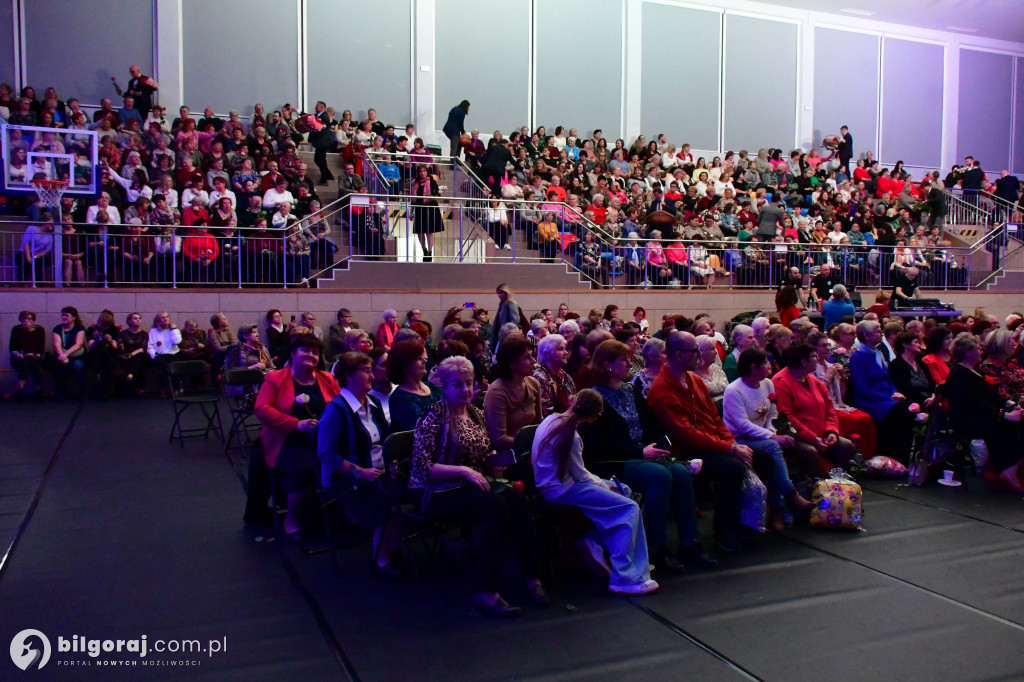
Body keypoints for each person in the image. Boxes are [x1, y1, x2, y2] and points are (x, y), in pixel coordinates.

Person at [410, 356, 547, 617]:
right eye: (457, 385)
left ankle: (531, 576)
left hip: (469, 484)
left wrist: (496, 462)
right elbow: (422, 469)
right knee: (494, 508)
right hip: (435, 490)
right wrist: (464, 470)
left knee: (518, 502)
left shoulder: (475, 413)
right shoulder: (433, 416)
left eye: (469, 383)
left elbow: (482, 456)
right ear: (444, 387)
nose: (465, 390)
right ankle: (486, 592)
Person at [580, 340, 716, 572]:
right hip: (615, 461)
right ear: (607, 365)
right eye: (623, 360)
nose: (629, 363)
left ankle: (688, 541)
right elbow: (598, 445)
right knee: (659, 475)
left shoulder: (630, 390)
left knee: (680, 473)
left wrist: (660, 444)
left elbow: (651, 424)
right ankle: (656, 546)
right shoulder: (594, 398)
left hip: (642, 452)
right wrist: (640, 451)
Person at [534, 390, 659, 595]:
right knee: (629, 507)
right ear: (593, 418)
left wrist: (607, 484)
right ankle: (625, 576)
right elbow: (581, 476)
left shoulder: (550, 420)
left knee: (624, 489)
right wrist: (605, 485)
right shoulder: (571, 436)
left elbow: (577, 473)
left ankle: (596, 542)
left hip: (559, 484)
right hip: (562, 490)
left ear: (574, 400)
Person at [647, 331, 752, 552]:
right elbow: (685, 434)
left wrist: (732, 442)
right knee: (733, 469)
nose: (700, 356)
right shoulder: (662, 390)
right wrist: (729, 448)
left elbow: (715, 417)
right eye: (694, 351)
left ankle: (753, 521)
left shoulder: (694, 379)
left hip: (709, 443)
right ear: (678, 355)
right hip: (683, 451)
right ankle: (724, 529)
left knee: (761, 458)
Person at [317, 352, 397, 575]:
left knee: (409, 490)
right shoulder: (336, 410)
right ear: (349, 376)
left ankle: (391, 545)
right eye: (366, 370)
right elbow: (326, 454)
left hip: (377, 471)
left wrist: (391, 465)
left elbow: (386, 441)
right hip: (344, 478)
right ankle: (381, 558)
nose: (373, 375)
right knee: (387, 501)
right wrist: (360, 472)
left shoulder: (372, 404)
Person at [255, 335, 340, 537]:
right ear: (293, 354)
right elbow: (262, 408)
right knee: (305, 466)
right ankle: (292, 518)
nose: (311, 355)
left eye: (315, 352)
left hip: (323, 441)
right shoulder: (275, 378)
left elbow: (339, 405)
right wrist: (295, 424)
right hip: (288, 442)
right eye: (305, 350)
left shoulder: (328, 379)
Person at [723, 348, 814, 532]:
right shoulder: (734, 391)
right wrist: (772, 436)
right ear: (754, 368)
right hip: (740, 439)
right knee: (773, 447)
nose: (769, 366)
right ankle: (787, 498)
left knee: (779, 450)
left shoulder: (767, 384)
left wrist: (772, 431)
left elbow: (772, 413)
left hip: (764, 434)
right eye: (765, 363)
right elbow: (742, 425)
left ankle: (781, 509)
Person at [945, 333, 1024, 490]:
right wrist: (1003, 414)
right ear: (968, 351)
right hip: (969, 420)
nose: (981, 351)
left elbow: (991, 395)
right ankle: (1008, 470)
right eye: (978, 348)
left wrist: (1008, 403)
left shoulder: (973, 371)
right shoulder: (959, 374)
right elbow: (975, 404)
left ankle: (1007, 468)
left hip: (983, 415)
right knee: (1012, 426)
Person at [773, 342, 858, 474]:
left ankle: (839, 483)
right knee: (810, 451)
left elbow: (829, 409)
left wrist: (832, 432)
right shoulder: (780, 382)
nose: (818, 358)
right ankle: (815, 487)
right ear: (803, 362)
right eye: (814, 356)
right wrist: (813, 439)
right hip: (797, 437)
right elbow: (787, 419)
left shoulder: (814, 380)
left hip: (822, 434)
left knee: (846, 446)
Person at [848, 320, 914, 462]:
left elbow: (888, 379)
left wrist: (896, 392)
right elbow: (862, 388)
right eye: (877, 331)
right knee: (907, 409)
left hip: (887, 397)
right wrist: (888, 398)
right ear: (867, 336)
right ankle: (898, 455)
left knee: (910, 408)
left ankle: (899, 453)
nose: (881, 333)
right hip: (871, 401)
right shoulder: (857, 358)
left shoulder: (878, 353)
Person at [484, 334, 542, 454]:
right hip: (508, 456)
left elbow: (538, 423)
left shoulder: (533, 383)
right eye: (528, 357)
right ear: (512, 363)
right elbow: (499, 440)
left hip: (532, 449)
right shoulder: (497, 392)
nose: (534, 361)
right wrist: (535, 442)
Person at [387, 340, 441, 432]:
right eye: (419, 358)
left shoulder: (433, 387)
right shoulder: (400, 398)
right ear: (404, 365)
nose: (425, 361)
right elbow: (422, 430)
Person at [532, 334, 576, 416]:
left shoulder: (565, 376)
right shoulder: (539, 377)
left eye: (565, 349)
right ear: (547, 354)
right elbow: (546, 413)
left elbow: (574, 402)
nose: (566, 353)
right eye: (560, 349)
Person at [6, 310, 46, 400]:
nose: (26, 321)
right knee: (25, 363)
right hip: (19, 358)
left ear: (33, 320)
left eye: (29, 319)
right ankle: (38, 390)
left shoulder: (39, 330)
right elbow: (13, 348)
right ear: (20, 320)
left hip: (33, 358)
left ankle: (21, 390)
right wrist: (18, 354)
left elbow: (40, 348)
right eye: (24, 319)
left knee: (32, 364)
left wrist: (37, 355)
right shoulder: (16, 329)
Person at [889, 332, 936, 406]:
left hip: (929, 401)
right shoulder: (896, 365)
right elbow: (905, 389)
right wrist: (925, 400)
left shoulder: (921, 363)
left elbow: (932, 384)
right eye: (916, 342)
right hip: (912, 403)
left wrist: (933, 397)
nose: (919, 345)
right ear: (905, 345)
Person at [51, 306, 87, 400]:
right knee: (59, 365)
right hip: (61, 355)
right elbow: (57, 345)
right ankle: (60, 391)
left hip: (76, 355)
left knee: (78, 365)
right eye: (62, 315)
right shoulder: (57, 329)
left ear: (74, 317)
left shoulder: (80, 328)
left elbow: (79, 344)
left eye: (67, 315)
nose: (64, 317)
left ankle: (82, 391)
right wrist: (62, 357)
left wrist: (66, 355)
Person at [411, 165, 443, 262]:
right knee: (419, 232)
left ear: (427, 172)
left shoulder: (432, 181)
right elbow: (413, 200)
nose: (422, 173)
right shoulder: (416, 183)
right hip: (419, 208)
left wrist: (436, 194)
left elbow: (437, 193)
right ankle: (424, 250)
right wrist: (411, 212)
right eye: (420, 171)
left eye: (424, 171)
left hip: (430, 208)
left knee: (429, 231)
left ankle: (429, 251)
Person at [490, 283, 521, 350]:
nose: (499, 295)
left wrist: (510, 332)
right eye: (498, 293)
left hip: (507, 334)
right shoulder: (502, 304)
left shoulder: (511, 303)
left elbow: (515, 320)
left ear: (506, 293)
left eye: (501, 293)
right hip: (501, 332)